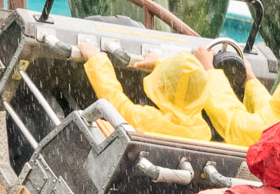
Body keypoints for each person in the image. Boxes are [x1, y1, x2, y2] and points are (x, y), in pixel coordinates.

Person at [77, 41, 213, 141]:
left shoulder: (149, 120)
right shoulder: (201, 131)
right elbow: (186, 83)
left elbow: (114, 101)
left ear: (161, 87)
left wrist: (95, 59)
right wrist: (160, 63)